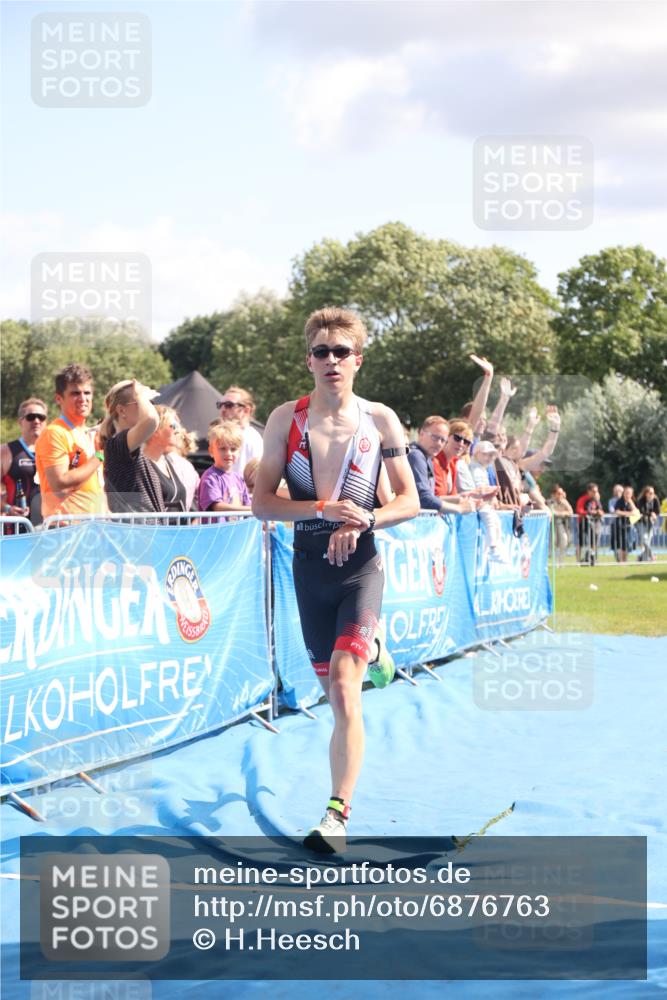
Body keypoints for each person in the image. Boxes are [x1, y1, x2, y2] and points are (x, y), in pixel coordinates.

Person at [252, 306, 419, 854]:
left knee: (346, 693)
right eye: (321, 352)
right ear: (308, 360)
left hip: (360, 567)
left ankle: (336, 815)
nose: (331, 361)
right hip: (309, 567)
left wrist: (365, 517)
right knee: (333, 691)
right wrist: (327, 507)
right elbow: (261, 504)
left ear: (358, 361)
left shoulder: (381, 420)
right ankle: (376, 655)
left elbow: (409, 500)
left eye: (341, 352)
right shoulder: (285, 419)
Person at [35, 364, 107, 522]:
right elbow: (61, 485)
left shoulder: (89, 434)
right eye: (75, 393)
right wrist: (99, 456)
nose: (83, 399)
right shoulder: (54, 433)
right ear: (59, 398)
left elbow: (97, 486)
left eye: (87, 392)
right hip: (65, 529)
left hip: (96, 527)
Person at [99, 380, 164, 514]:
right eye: (142, 403)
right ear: (121, 410)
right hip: (136, 532)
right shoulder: (116, 445)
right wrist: (141, 395)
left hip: (146, 531)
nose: (148, 407)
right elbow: (152, 419)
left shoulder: (128, 446)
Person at [408, 417, 476, 514]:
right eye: (435, 437)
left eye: (443, 440)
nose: (439, 443)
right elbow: (424, 499)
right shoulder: (416, 455)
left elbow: (432, 497)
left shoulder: (427, 458)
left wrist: (462, 498)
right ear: (421, 434)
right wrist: (459, 509)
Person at [1, 397, 48, 526]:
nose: (37, 421)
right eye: (31, 417)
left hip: (49, 528)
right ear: (20, 422)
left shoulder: (54, 451)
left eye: (41, 417)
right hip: (17, 529)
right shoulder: (6, 451)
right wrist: (7, 508)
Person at [143, 406, 191, 518]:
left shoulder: (167, 461)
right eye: (173, 426)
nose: (178, 430)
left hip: (177, 533)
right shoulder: (141, 466)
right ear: (155, 431)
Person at [199, 422, 252, 518]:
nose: (228, 453)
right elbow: (217, 506)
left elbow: (247, 505)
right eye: (223, 448)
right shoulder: (210, 477)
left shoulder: (239, 478)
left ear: (239, 452)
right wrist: (249, 510)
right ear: (211, 451)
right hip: (218, 532)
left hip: (238, 531)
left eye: (233, 449)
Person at [215, 386, 263, 476]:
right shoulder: (226, 436)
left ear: (246, 410)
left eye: (229, 405)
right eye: (220, 405)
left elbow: (256, 478)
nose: (223, 409)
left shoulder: (251, 438)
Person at [575, 482, 604, 565]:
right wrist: (590, 512)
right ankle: (577, 561)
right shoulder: (583, 499)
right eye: (594, 491)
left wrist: (599, 512)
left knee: (594, 542)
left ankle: (592, 559)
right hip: (583, 523)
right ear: (589, 491)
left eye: (597, 491)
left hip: (594, 524)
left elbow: (601, 511)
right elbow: (579, 510)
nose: (596, 493)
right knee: (580, 542)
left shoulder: (596, 500)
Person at [547, 485, 574, 567]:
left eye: (561, 493)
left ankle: (561, 563)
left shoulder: (564, 502)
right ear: (554, 494)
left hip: (561, 524)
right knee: (552, 543)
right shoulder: (549, 502)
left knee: (564, 541)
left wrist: (561, 513)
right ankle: (551, 563)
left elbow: (570, 512)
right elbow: (551, 512)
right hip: (551, 526)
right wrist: (560, 513)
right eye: (559, 493)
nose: (561, 495)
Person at [636, 486, 660, 562]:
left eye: (653, 493)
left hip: (650, 523)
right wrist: (651, 514)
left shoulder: (655, 499)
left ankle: (642, 558)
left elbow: (658, 511)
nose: (652, 494)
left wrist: (654, 514)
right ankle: (652, 555)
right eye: (650, 493)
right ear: (646, 494)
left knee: (648, 542)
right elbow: (641, 511)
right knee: (644, 540)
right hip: (640, 522)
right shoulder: (641, 500)